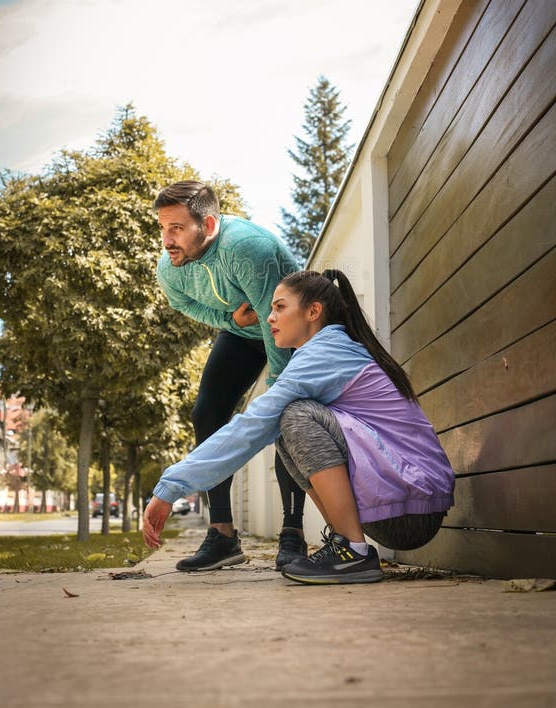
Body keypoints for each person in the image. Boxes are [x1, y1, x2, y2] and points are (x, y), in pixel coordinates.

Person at [143, 268, 455, 585]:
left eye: (279, 307)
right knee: (285, 423)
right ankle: (344, 543)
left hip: (412, 504)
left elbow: (249, 427)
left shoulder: (325, 353)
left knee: (293, 416)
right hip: (405, 501)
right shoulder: (325, 351)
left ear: (313, 312)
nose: (269, 319)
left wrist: (171, 486)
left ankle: (353, 552)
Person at [154, 180, 306, 571]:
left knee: (289, 415)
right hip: (243, 331)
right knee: (206, 415)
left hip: (290, 327)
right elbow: (183, 303)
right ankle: (222, 535)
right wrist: (228, 319)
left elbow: (276, 323)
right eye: (162, 227)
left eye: (176, 228)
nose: (167, 239)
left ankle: (293, 534)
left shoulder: (246, 249)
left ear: (206, 225)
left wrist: (280, 387)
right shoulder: (171, 266)